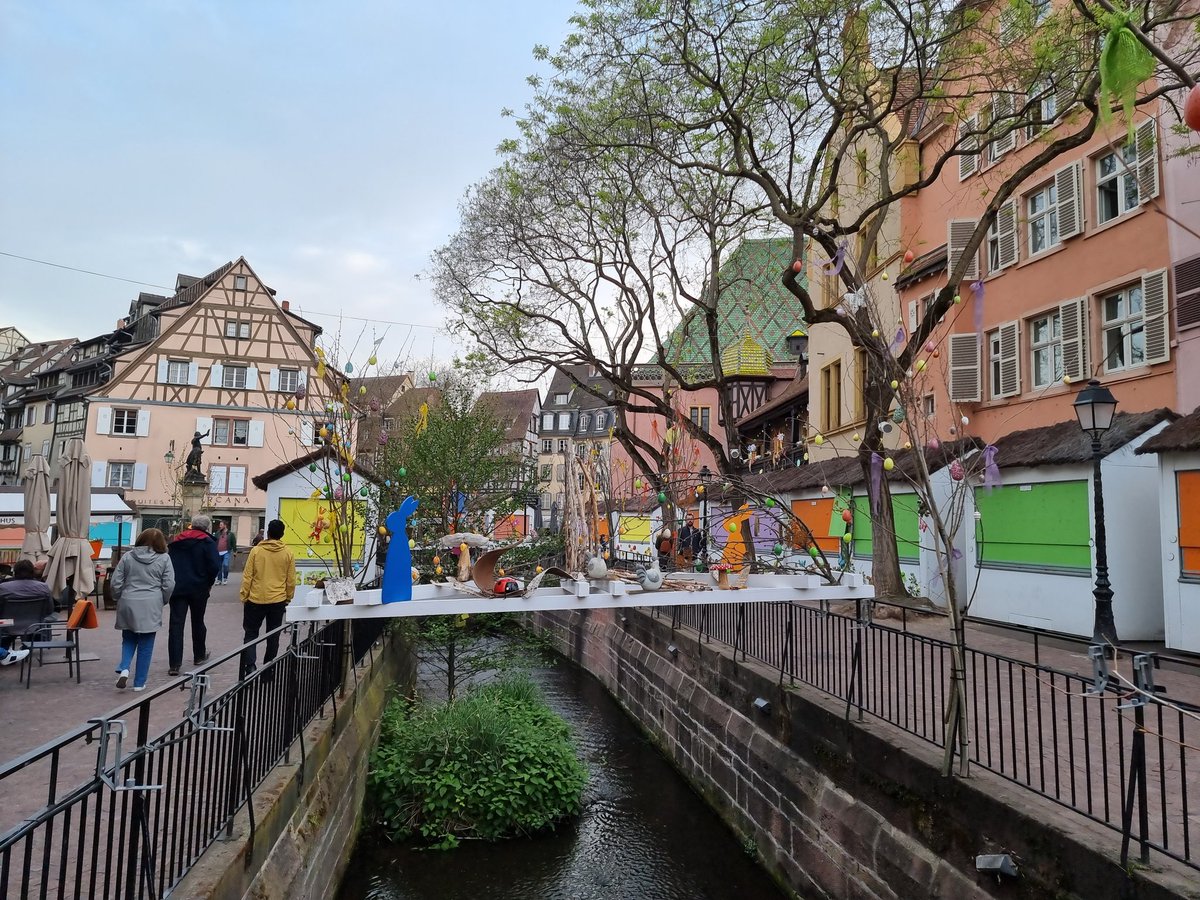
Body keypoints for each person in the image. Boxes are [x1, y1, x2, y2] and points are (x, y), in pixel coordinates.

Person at [110, 528, 175, 691]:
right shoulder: (164, 558)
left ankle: (124, 667)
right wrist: (163, 600)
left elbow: (115, 581)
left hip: (128, 600)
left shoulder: (128, 556)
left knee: (128, 638)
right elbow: (169, 584)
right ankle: (139, 683)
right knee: (146, 644)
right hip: (151, 602)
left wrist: (118, 596)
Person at [239, 519, 296, 678]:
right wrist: (288, 597)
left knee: (250, 634)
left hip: (255, 599)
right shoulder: (288, 553)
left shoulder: (256, 551)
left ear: (268, 533)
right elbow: (291, 579)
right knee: (273, 635)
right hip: (277, 600)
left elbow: (248, 576)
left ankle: (249, 666)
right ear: (282, 534)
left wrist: (244, 595)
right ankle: (268, 670)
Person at [166, 514, 220, 676]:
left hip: (178, 587)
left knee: (176, 624)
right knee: (198, 621)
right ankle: (199, 655)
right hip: (199, 587)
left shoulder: (176, 541)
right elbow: (214, 565)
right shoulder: (207, 542)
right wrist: (209, 582)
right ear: (206, 527)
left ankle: (174, 664)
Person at [0, 559, 53, 660]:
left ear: (14, 572)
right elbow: (49, 610)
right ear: (33, 572)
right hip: (35, 624)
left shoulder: (3, 587)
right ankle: (26, 648)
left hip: (7, 624)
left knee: (5, 625)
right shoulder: (44, 587)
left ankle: (5, 650)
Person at [214, 520, 237, 585]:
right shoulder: (217, 533)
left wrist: (235, 551)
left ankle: (225, 578)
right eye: (220, 525)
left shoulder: (230, 534)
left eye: (221, 525)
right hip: (218, 552)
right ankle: (219, 579)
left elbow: (233, 543)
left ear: (225, 525)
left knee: (225, 565)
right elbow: (214, 541)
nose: (220, 526)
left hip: (226, 552)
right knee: (219, 566)